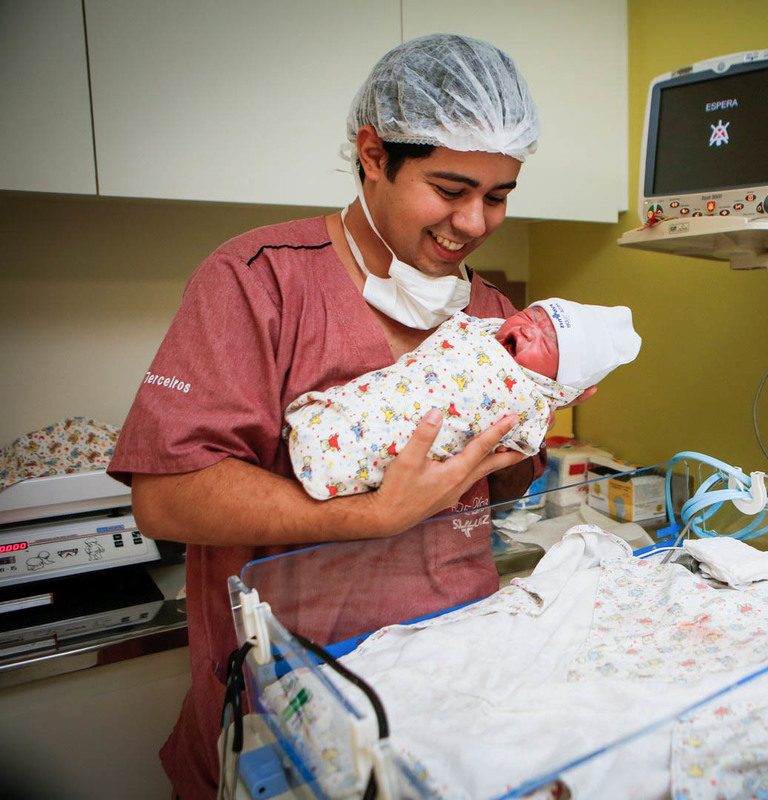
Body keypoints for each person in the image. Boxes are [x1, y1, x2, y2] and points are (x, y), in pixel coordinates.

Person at [107, 34, 569, 799]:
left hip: (451, 694)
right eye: (451, 189)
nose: (478, 222)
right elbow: (165, 495)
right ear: (373, 154)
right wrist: (372, 515)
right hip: (290, 704)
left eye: (499, 194)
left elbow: (499, 493)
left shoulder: (493, 317)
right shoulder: (259, 282)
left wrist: (538, 408)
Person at [286, 299, 641, 500]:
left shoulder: (530, 403)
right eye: (531, 315)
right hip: (354, 406)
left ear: (561, 386)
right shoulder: (476, 328)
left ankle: (330, 462)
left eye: (549, 341)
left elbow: (519, 452)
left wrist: (542, 413)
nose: (529, 329)